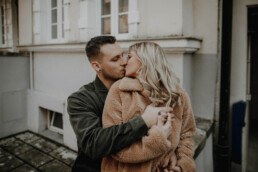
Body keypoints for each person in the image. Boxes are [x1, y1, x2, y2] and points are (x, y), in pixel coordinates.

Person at [67, 36, 173, 172]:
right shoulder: (80, 99)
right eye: (115, 59)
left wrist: (170, 154)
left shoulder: (136, 86)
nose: (124, 62)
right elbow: (93, 144)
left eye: (123, 55)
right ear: (97, 66)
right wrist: (144, 121)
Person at [101, 42, 196, 172]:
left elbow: (186, 136)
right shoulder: (119, 90)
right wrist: (157, 141)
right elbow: (112, 145)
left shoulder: (178, 96)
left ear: (145, 60)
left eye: (129, 57)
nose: (124, 62)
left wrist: (181, 165)